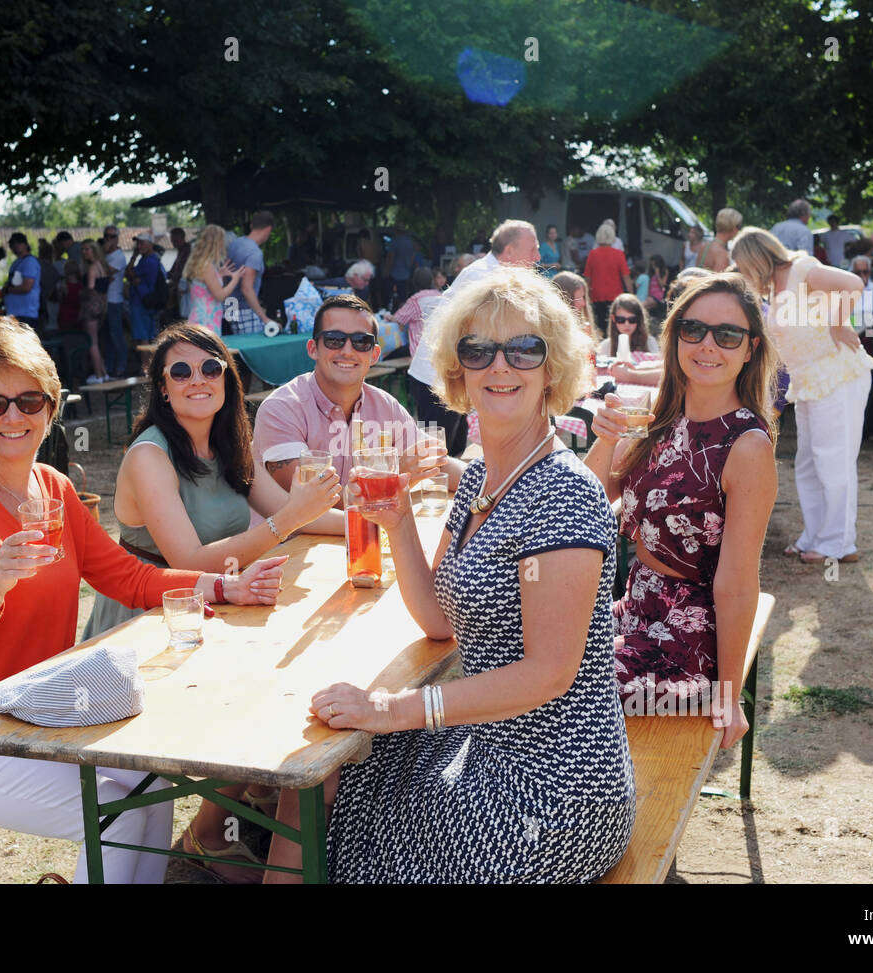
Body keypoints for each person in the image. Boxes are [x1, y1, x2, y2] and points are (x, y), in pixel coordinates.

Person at [0, 317, 287, 884]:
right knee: (116, 817)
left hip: (29, 716)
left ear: (50, 408)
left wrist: (223, 587)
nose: (14, 416)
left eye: (28, 400)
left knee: (152, 782)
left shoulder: (54, 487)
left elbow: (125, 574)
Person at [266, 266, 637, 883]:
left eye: (524, 349)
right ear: (457, 368)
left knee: (357, 808)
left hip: (557, 786)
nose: (501, 366)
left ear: (553, 369)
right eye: (479, 349)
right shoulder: (479, 480)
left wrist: (392, 708)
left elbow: (547, 675)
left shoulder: (564, 495)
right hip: (486, 740)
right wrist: (400, 522)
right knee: (316, 769)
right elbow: (440, 618)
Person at [83, 323, 342, 880]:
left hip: (217, 607)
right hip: (148, 623)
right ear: (163, 387)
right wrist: (285, 522)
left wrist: (376, 519)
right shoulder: (149, 456)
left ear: (227, 377)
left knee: (280, 681)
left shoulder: (225, 443)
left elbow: (299, 512)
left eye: (210, 367)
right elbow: (190, 559)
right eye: (180, 370)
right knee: (253, 699)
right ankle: (227, 826)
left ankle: (213, 832)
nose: (197, 379)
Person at [584, 273, 777, 733]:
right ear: (675, 337)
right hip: (635, 605)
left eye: (728, 335)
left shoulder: (746, 447)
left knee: (554, 691)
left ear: (750, 349)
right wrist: (606, 440)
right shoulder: (659, 411)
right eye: (694, 330)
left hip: (686, 639)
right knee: (519, 653)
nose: (708, 345)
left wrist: (729, 698)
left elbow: (736, 583)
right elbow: (587, 498)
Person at [732, 226, 873, 562]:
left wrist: (839, 321)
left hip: (838, 373)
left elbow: (853, 284)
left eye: (741, 265)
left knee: (832, 459)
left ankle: (839, 543)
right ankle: (815, 536)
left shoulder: (802, 269)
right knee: (809, 462)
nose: (741, 273)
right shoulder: (771, 289)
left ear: (756, 258)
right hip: (809, 379)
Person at [256, 295, 464, 494]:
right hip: (300, 532)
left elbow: (435, 462)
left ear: (374, 355)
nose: (347, 351)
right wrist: (392, 479)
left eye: (361, 341)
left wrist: (489, 485)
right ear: (313, 349)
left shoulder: (385, 406)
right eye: (334, 339)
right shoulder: (282, 409)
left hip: (371, 527)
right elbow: (310, 504)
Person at [408, 220, 540, 460]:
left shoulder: (490, 274)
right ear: (509, 251)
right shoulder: (484, 277)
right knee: (435, 461)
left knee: (453, 452)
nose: (538, 257)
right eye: (533, 249)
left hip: (450, 378)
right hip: (436, 380)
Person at [181, 225, 242, 335]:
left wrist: (219, 274)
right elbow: (220, 295)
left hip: (198, 317)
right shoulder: (207, 266)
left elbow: (203, 286)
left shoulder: (200, 264)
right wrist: (235, 279)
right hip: (208, 320)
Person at [226, 211, 276, 334]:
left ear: (251, 226)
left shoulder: (235, 243)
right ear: (269, 229)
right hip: (244, 308)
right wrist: (264, 318)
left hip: (229, 305)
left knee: (234, 347)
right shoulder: (254, 253)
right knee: (248, 347)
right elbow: (246, 288)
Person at [584, 221, 633, 328]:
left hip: (597, 295)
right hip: (615, 295)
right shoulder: (619, 254)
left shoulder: (593, 254)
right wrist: (632, 295)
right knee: (614, 325)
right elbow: (626, 277)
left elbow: (587, 278)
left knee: (600, 324)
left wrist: (586, 296)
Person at [382, 266, 443, 352]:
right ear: (431, 281)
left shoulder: (415, 300)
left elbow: (398, 319)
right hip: (440, 347)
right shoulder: (440, 296)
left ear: (414, 282)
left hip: (420, 350)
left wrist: (388, 316)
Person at [76, 239, 112, 383]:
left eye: (87, 249)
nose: (84, 252)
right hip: (102, 306)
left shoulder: (92, 267)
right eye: (83, 249)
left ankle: (98, 375)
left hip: (91, 308)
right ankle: (103, 373)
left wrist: (80, 292)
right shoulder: (102, 266)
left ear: (94, 250)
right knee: (96, 341)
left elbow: (90, 289)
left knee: (92, 342)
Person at [124, 232, 165, 343]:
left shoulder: (149, 261)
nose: (139, 247)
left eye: (142, 243)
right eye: (138, 244)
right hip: (145, 302)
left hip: (142, 303)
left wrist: (134, 256)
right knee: (148, 338)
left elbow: (128, 273)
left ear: (150, 244)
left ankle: (146, 361)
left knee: (144, 339)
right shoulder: (147, 259)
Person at [100, 226, 129, 377]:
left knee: (116, 335)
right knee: (107, 337)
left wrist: (100, 255)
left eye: (112, 236)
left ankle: (122, 368)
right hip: (106, 301)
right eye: (106, 236)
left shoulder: (119, 256)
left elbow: (106, 272)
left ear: (117, 238)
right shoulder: (105, 255)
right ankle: (110, 368)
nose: (108, 239)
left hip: (114, 300)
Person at [2, 233, 42, 332]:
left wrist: (7, 290)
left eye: (17, 244)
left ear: (25, 244)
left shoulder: (30, 262)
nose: (14, 247)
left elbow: (26, 287)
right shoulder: (16, 262)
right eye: (12, 245)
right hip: (14, 313)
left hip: (25, 314)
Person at [551, 271, 599, 345]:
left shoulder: (584, 327)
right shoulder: (552, 333)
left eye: (583, 297)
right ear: (564, 300)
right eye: (578, 299)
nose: (583, 303)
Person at [381, 224, 417, 308]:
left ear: (396, 231)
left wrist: (385, 272)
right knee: (403, 299)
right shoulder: (410, 242)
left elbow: (390, 258)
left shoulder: (394, 242)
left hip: (394, 275)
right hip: (406, 275)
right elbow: (412, 258)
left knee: (391, 298)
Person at [166, 227, 191, 318]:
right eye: (172, 240)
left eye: (175, 240)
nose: (173, 243)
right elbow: (173, 271)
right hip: (177, 287)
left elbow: (182, 271)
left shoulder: (188, 251)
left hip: (183, 289)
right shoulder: (181, 251)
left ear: (181, 238)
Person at [645, 253, 670, 319]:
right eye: (652, 265)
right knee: (645, 308)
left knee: (642, 305)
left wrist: (657, 274)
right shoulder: (651, 272)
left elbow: (662, 285)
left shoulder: (665, 271)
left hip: (657, 295)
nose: (653, 267)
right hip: (650, 295)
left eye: (655, 265)